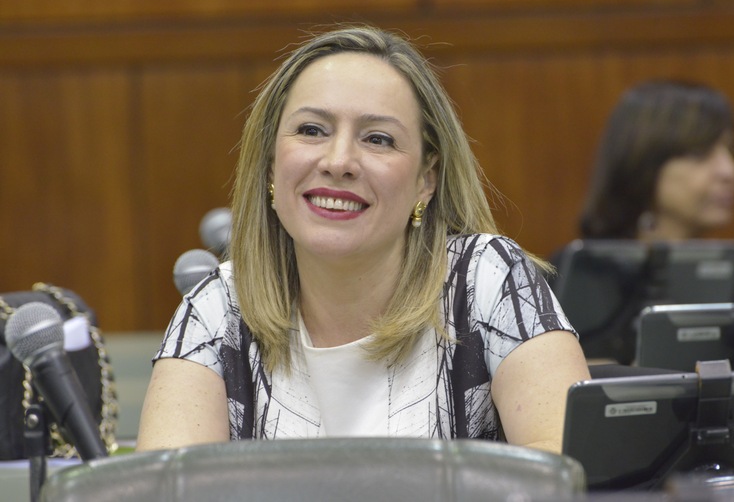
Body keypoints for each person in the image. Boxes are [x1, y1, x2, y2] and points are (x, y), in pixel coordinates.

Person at [137, 25, 590, 455]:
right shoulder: (218, 308)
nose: (339, 162)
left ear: (426, 180)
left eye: (378, 139)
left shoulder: (484, 280)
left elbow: (570, 472)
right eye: (312, 130)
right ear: (271, 164)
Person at [550, 80, 734, 363]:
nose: (730, 171)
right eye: (701, 154)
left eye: (730, 151)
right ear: (644, 162)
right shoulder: (577, 273)